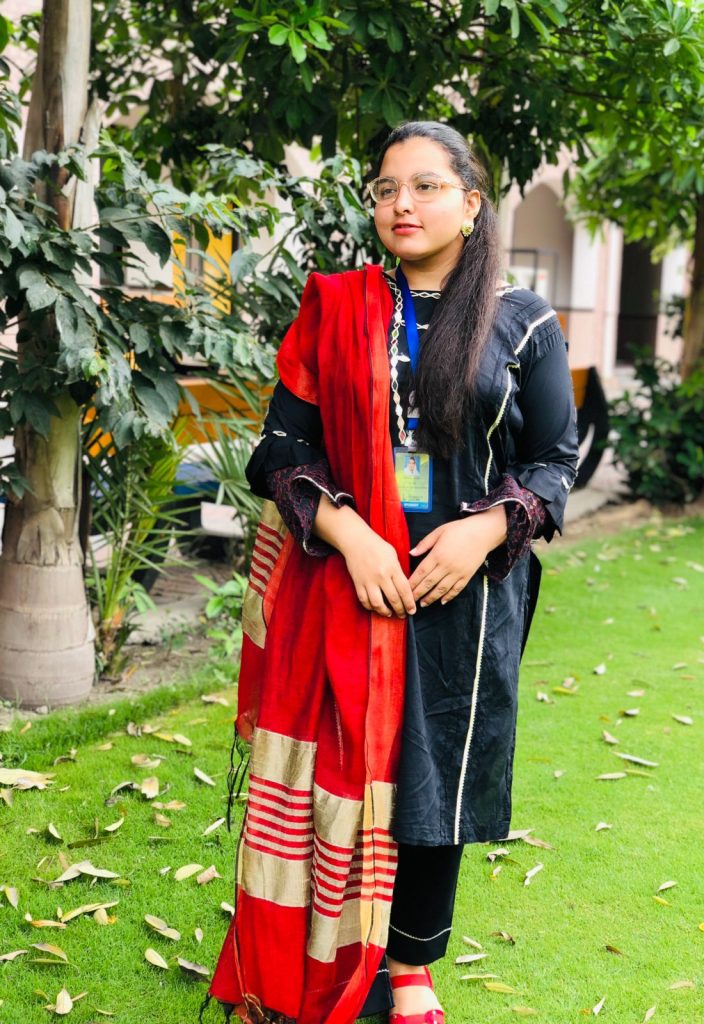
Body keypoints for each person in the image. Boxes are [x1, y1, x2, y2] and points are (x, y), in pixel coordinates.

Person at [204, 121, 579, 1024]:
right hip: (350, 585)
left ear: (471, 203)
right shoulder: (335, 306)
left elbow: (556, 457)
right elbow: (279, 451)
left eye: (424, 186)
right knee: (337, 763)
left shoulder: (521, 320)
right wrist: (350, 534)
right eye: (384, 188)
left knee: (437, 776)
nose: (400, 204)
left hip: (468, 594)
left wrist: (485, 532)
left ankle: (410, 963)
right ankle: (311, 953)